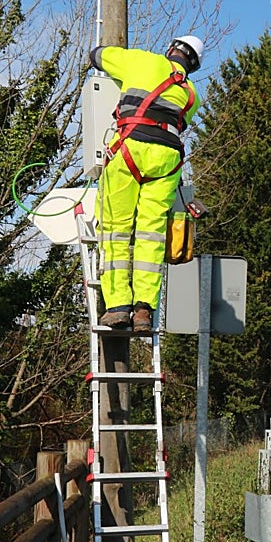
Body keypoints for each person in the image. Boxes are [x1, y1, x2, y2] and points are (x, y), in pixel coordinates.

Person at [89, 35, 203, 332]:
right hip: (167, 161)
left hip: (130, 149)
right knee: (151, 235)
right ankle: (143, 310)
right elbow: (177, 122)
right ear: (192, 65)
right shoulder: (192, 93)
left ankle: (117, 306)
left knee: (115, 228)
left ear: (171, 49)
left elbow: (97, 55)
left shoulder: (141, 60)